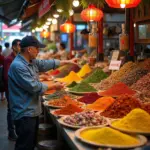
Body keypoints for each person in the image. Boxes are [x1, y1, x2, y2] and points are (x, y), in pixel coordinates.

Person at [8, 36, 77, 150]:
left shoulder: (31, 61)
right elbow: (34, 87)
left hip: (32, 110)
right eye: (37, 48)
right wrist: (55, 85)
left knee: (31, 143)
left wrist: (68, 61)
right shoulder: (18, 66)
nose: (39, 51)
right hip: (24, 112)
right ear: (29, 49)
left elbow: (46, 64)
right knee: (24, 145)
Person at [3, 39, 21, 141]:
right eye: (19, 45)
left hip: (17, 90)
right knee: (11, 110)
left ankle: (16, 130)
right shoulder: (9, 59)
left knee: (15, 110)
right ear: (13, 47)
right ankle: (11, 132)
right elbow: (7, 77)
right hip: (11, 90)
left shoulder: (19, 58)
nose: (21, 47)